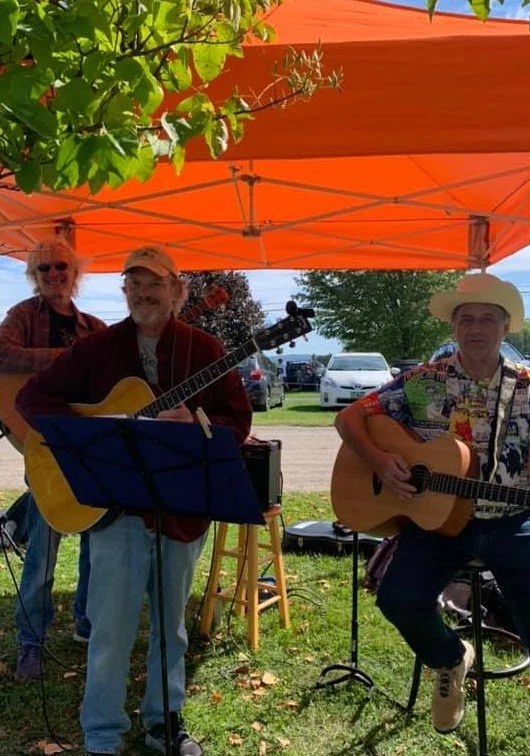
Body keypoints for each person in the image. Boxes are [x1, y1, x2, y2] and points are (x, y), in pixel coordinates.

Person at [16, 246, 252, 756]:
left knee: (171, 631)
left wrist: (197, 424)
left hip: (180, 508)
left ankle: (164, 723)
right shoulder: (98, 348)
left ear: (176, 291)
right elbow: (31, 398)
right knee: (109, 631)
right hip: (116, 510)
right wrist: (93, 435)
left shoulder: (205, 349)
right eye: (135, 286)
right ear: (125, 291)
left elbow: (237, 419)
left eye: (155, 286)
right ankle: (102, 736)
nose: (144, 296)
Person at [335, 272, 530, 735]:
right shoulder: (423, 381)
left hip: (512, 519)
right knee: (398, 599)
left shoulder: (525, 386)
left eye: (487, 319)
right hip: (438, 523)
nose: (476, 328)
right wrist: (381, 462)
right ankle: (449, 658)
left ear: (505, 327)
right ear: (454, 326)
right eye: (467, 319)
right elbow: (349, 419)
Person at [0, 237, 106, 681]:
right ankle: (31, 641)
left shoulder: (94, 327)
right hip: (41, 442)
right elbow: (3, 353)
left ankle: (86, 622)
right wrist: (64, 359)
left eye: (61, 266)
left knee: (95, 537)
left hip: (85, 443)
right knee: (42, 548)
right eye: (43, 269)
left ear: (74, 273)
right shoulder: (23, 316)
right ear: (34, 276)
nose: (53, 274)